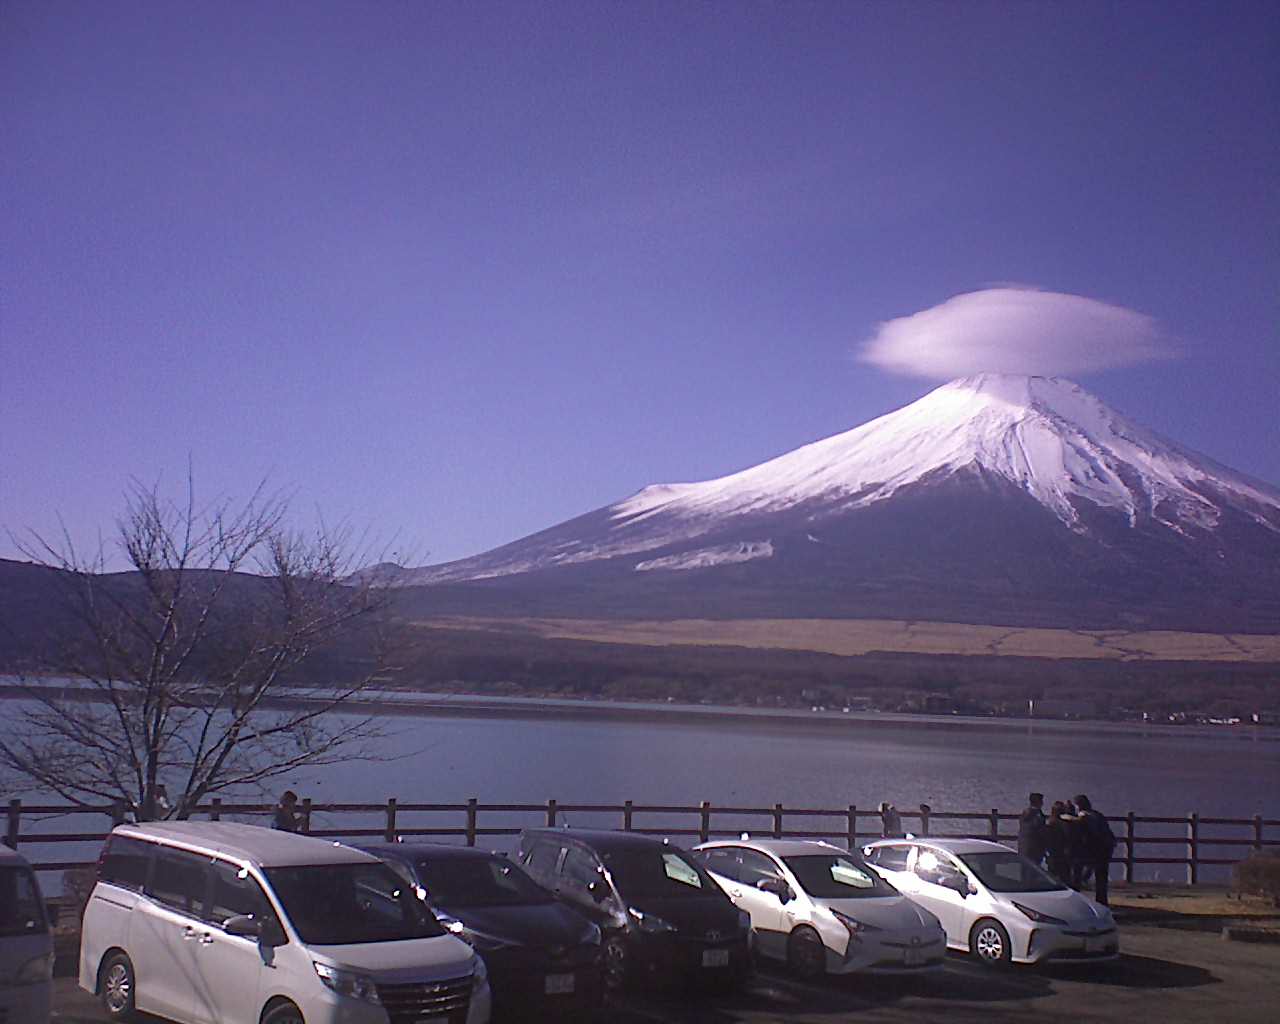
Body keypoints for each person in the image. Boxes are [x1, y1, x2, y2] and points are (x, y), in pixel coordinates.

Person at [1074, 794, 1116, 906]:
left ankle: (1077, 901)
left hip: (1093, 850)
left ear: (1078, 806)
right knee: (1101, 878)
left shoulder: (1083, 818)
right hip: (1105, 849)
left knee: (1078, 875)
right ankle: (1102, 902)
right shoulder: (1098, 815)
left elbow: (1083, 836)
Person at [1044, 801, 1071, 882]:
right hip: (1061, 852)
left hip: (1051, 852)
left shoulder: (1048, 821)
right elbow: (1068, 837)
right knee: (1064, 876)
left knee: (1052, 875)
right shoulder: (1063, 824)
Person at [1018, 792, 1047, 865]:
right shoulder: (1036, 815)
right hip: (1034, 848)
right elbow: (1040, 830)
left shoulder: (1025, 813)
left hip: (1024, 847)